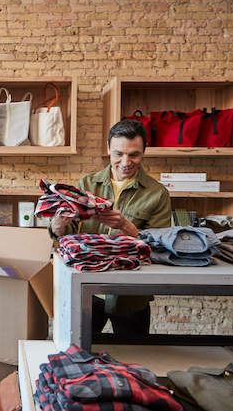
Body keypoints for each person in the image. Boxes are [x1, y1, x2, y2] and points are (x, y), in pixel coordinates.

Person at [50, 119, 171, 336]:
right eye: (118, 154)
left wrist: (126, 226)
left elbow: (161, 247)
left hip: (131, 295)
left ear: (144, 151)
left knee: (134, 359)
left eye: (134, 154)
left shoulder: (157, 193)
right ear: (108, 149)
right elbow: (66, 239)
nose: (125, 162)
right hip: (85, 290)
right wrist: (57, 226)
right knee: (79, 355)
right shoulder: (86, 185)